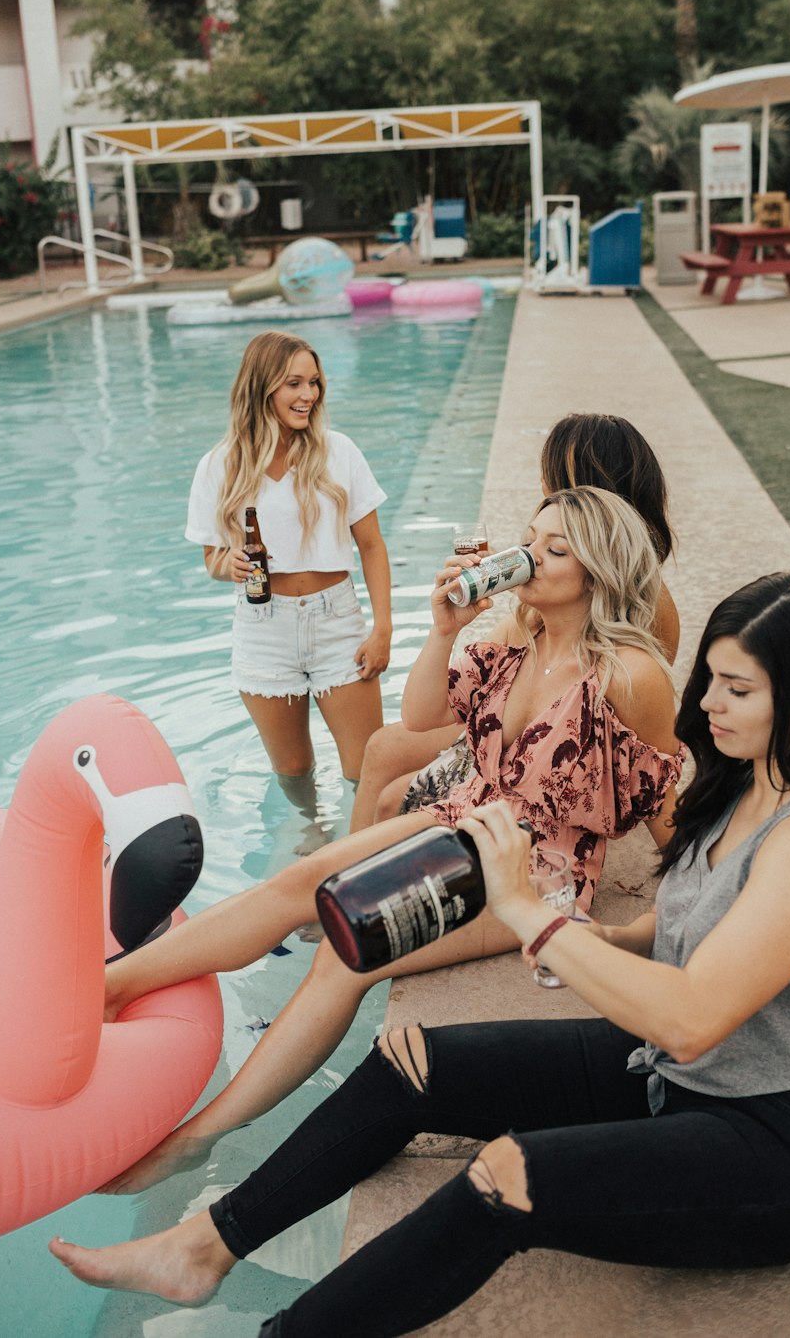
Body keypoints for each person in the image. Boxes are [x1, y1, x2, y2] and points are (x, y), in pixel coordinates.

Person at [50, 572, 790, 1337]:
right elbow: (698, 912)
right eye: (712, 681)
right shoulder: (746, 776)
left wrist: (530, 915)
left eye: (737, 690)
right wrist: (609, 940)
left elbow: (693, 1019)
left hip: (788, 1135)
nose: (706, 705)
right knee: (410, 1062)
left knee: (505, 1177)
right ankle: (206, 1246)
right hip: (685, 1078)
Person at [92, 486, 683, 1191]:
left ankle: (198, 1137)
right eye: (530, 540)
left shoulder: (629, 674)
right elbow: (422, 712)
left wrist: (679, 915)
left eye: (555, 550)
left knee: (349, 951)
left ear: (598, 569)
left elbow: (665, 805)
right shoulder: (514, 643)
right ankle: (108, 988)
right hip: (464, 812)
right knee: (295, 886)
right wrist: (443, 631)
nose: (529, 557)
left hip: (533, 867)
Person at [348, 410, 680, 832]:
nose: (542, 487)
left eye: (555, 478)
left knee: (393, 790)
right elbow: (486, 673)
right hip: (514, 732)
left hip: (544, 767)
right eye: (531, 538)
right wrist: (449, 629)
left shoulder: (637, 613)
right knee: (381, 748)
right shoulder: (547, 590)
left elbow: (638, 753)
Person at [186, 329, 392, 782]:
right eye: (294, 384)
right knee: (294, 771)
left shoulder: (339, 451)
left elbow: (372, 545)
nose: (309, 395)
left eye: (314, 382)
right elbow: (211, 559)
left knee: (366, 770)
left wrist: (383, 629)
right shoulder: (220, 464)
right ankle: (308, 848)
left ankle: (363, 851)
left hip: (337, 621)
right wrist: (231, 564)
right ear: (262, 387)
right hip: (263, 631)